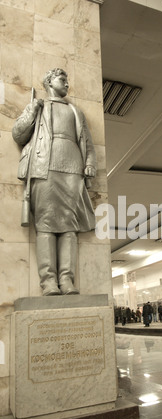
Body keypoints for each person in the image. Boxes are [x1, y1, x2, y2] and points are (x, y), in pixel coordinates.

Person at [12, 68, 97, 296]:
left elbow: (86, 142)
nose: (67, 84)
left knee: (70, 226)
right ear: (50, 82)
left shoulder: (75, 111)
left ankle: (67, 280)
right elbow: (18, 135)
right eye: (62, 80)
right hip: (44, 168)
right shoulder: (39, 107)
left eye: (67, 80)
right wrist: (31, 111)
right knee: (46, 224)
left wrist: (89, 163)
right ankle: (48, 281)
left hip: (72, 169)